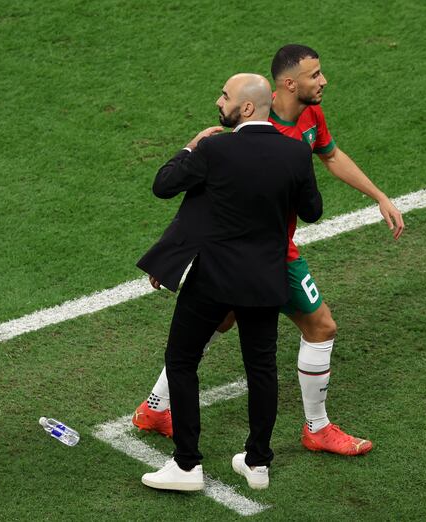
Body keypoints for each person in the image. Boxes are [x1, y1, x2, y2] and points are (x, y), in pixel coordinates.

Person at [133, 44, 403, 456]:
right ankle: (314, 429)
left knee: (219, 323)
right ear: (289, 84)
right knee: (319, 327)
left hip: (258, 253)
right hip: (267, 257)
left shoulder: (310, 115)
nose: (324, 81)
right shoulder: (254, 128)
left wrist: (379, 195)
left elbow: (330, 154)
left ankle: (155, 407)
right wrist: (172, 255)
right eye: (315, 75)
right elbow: (204, 202)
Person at [138, 73, 323, 491]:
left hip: (213, 281)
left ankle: (187, 465)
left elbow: (164, 186)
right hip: (265, 280)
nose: (218, 101)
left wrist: (192, 146)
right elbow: (312, 211)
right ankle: (257, 463)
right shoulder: (296, 152)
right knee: (262, 369)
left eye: (225, 96)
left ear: (246, 107)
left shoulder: (215, 149)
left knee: (181, 361)